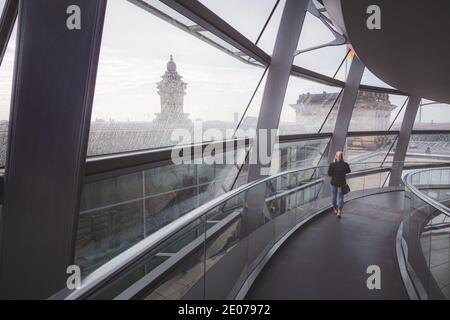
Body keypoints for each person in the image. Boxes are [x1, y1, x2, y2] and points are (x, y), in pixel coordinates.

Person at [328, 151, 351, 218]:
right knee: (340, 197)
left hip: (333, 183)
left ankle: (335, 209)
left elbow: (329, 173)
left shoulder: (332, 165)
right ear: (342, 157)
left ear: (336, 157)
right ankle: (339, 211)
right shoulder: (345, 164)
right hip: (342, 183)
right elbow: (348, 171)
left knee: (333, 196)